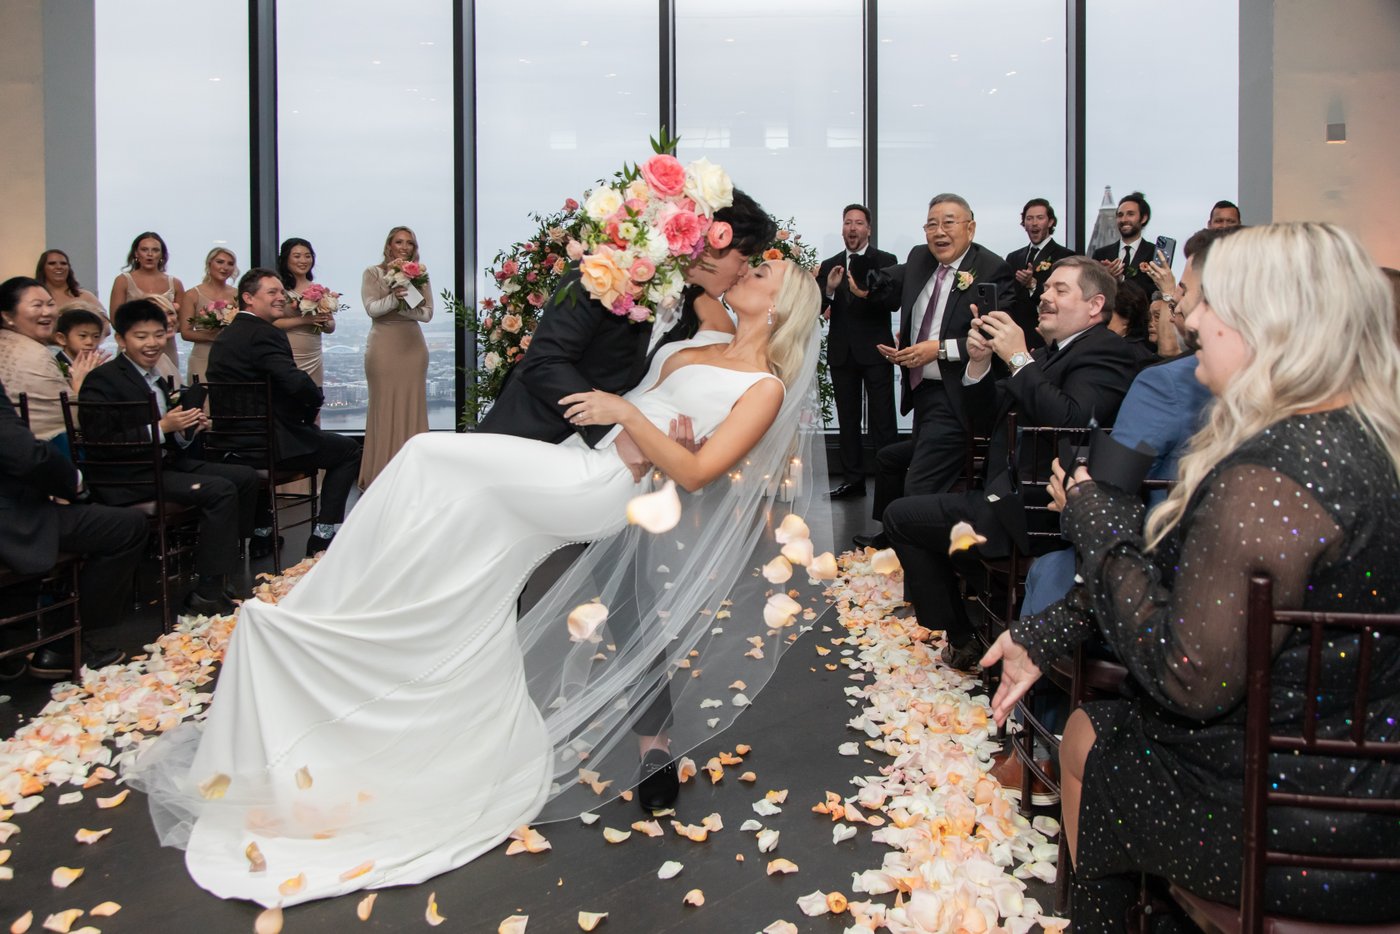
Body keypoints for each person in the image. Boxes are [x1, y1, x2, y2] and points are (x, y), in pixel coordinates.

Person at [125, 258, 828, 908]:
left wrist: (634, 420)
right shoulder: (698, 344)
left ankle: (335, 602)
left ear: (784, 302)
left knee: (430, 454)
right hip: (594, 461)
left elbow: (699, 470)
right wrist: (639, 410)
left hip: (602, 487)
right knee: (458, 524)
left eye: (764, 270)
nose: (747, 268)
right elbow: (651, 386)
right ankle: (374, 629)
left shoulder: (763, 387)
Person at [983, 223, 1400, 929]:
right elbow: (1175, 572)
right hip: (1364, 780)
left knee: (1095, 740)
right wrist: (1043, 631)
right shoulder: (1357, 440)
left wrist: (1092, 514)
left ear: (1268, 321)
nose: (1189, 317)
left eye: (1206, 302)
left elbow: (1184, 673)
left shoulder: (1273, 478)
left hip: (1292, 824)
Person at [477, 189, 777, 810]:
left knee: (629, 602)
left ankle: (654, 744)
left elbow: (717, 383)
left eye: (752, 265)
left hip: (617, 473)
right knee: (495, 591)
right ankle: (483, 726)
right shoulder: (603, 272)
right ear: (706, 239)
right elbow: (543, 363)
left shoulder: (702, 312)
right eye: (741, 257)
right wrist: (619, 431)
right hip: (532, 447)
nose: (743, 271)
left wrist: (673, 435)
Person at [882, 255, 1138, 671]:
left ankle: (965, 636)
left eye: (1060, 290)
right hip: (1005, 497)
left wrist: (1019, 358)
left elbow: (1072, 422)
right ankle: (983, 621)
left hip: (1038, 511)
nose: (1044, 297)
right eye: (1045, 288)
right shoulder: (1052, 354)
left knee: (901, 517)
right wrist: (980, 362)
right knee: (918, 522)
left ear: (1095, 306)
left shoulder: (1105, 352)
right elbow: (985, 419)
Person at [79, 300, 260, 618]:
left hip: (162, 463)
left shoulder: (155, 376)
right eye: (141, 336)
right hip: (127, 475)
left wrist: (188, 428)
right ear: (122, 339)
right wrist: (162, 427)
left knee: (245, 477)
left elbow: (173, 438)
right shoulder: (104, 380)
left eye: (158, 335)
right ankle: (206, 591)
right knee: (219, 490)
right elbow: (100, 442)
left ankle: (222, 569)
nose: (151, 343)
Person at [856, 193, 1015, 546]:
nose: (938, 231)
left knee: (919, 486)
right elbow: (897, 293)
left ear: (970, 228)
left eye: (948, 222)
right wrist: (908, 352)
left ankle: (914, 563)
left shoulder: (991, 269)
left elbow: (996, 337)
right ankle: (892, 537)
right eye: (931, 224)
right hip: (924, 395)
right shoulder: (919, 258)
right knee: (888, 460)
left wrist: (938, 350)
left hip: (959, 398)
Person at [206, 269, 362, 557]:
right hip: (266, 444)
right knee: (348, 451)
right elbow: (294, 382)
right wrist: (313, 403)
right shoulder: (264, 334)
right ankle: (322, 536)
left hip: (229, 444)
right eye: (272, 293)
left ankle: (263, 533)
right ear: (248, 298)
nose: (281, 298)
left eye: (282, 292)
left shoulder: (225, 337)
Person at [0, 377, 144, 677]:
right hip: (11, 519)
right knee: (126, 527)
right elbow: (27, 456)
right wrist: (74, 485)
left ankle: (12, 642)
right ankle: (64, 645)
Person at [818, 203, 899, 499]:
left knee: (883, 420)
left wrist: (863, 293)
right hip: (842, 353)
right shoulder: (830, 264)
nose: (852, 228)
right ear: (842, 228)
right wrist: (828, 289)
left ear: (868, 229)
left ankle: (890, 483)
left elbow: (893, 301)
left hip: (876, 351)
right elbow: (817, 307)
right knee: (847, 419)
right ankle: (853, 481)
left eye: (858, 223)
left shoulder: (885, 260)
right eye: (847, 223)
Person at [359, 226, 431, 489]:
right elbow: (371, 309)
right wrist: (394, 298)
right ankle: (380, 474)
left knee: (412, 407)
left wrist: (406, 302)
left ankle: (413, 476)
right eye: (399, 241)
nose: (404, 246)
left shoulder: (420, 274)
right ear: (389, 245)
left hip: (412, 347)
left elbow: (426, 314)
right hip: (384, 347)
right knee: (383, 406)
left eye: (409, 242)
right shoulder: (373, 273)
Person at [0, 277, 108, 450]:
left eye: (50, 304)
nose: (47, 312)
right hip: (36, 453)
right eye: (37, 305)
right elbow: (74, 417)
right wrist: (79, 386)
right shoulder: (36, 354)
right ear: (7, 316)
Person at [1004, 198, 1076, 350]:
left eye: (1040, 218)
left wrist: (1032, 285)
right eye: (1029, 218)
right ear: (1024, 224)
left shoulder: (1065, 256)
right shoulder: (1013, 257)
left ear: (1050, 222)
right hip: (1017, 334)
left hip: (1046, 334)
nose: (1034, 223)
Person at [108, 232, 183, 371]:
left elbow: (182, 322)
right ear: (136, 253)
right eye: (144, 249)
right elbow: (114, 319)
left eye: (155, 250)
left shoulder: (175, 283)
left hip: (166, 346)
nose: (150, 254)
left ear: (162, 255)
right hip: (133, 346)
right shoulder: (123, 281)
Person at [275, 238, 336, 385]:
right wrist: (305, 320)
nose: (303, 260)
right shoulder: (279, 289)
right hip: (287, 353)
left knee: (312, 397)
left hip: (313, 355)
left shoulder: (318, 289)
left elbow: (331, 327)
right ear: (285, 259)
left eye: (307, 256)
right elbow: (271, 323)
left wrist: (325, 320)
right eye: (297, 256)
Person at [177, 247, 239, 385]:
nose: (225, 267)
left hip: (230, 356)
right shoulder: (192, 294)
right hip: (202, 356)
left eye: (230, 264)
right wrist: (213, 337)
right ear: (209, 263)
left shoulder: (238, 294)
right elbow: (185, 332)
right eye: (220, 262)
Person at [1090, 192, 1155, 286]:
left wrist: (1121, 279)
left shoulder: (1154, 253)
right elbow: (1091, 288)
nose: (1123, 220)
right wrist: (1105, 277)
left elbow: (1156, 291)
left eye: (1130, 214)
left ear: (1143, 218)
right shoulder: (1100, 254)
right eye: (1120, 215)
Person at [35, 249, 108, 326]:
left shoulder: (85, 296)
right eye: (52, 263)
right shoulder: (35, 297)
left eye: (63, 263)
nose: (59, 267)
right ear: (42, 268)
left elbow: (106, 325)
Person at [1105, 279, 1156, 369]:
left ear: (1126, 319)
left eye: (1109, 313)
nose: (1103, 318)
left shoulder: (1118, 353)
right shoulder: (1141, 352)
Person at [51, 308, 106, 375]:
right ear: (62, 339)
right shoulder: (53, 366)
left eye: (96, 336)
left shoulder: (99, 367)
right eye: (83, 336)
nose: (90, 342)